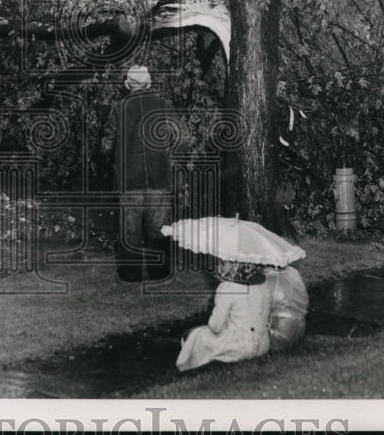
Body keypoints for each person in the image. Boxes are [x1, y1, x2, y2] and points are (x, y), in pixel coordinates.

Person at [99, 64, 184, 282]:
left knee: (130, 232)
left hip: (129, 180)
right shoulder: (163, 105)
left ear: (128, 85)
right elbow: (182, 138)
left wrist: (107, 165)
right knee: (159, 230)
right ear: (148, 83)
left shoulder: (119, 108)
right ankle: (160, 273)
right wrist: (169, 157)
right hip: (160, 178)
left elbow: (106, 146)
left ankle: (130, 274)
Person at [176, 260, 276, 372]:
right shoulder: (264, 284)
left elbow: (215, 327)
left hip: (239, 346)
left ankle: (189, 370)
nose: (219, 266)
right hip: (263, 344)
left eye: (224, 263)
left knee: (194, 335)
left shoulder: (227, 287)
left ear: (235, 265)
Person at [262, 264, 309, 352]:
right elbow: (305, 303)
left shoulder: (267, 277)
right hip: (297, 329)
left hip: (278, 332)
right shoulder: (292, 273)